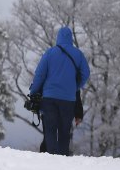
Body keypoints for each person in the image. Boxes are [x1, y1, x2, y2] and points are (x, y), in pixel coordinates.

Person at [30, 26, 90, 156]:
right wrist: (75, 86)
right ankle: (63, 157)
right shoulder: (78, 54)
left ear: (58, 38)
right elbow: (86, 73)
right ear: (71, 38)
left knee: (50, 129)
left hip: (49, 98)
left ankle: (51, 157)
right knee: (64, 130)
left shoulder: (50, 53)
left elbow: (39, 75)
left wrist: (34, 92)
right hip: (68, 99)